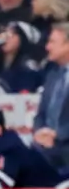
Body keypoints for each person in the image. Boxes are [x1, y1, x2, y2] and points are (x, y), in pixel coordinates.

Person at [32, 23, 69, 170]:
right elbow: (40, 114)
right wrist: (39, 132)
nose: (47, 47)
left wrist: (56, 135)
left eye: (52, 42)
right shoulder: (52, 75)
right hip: (46, 151)